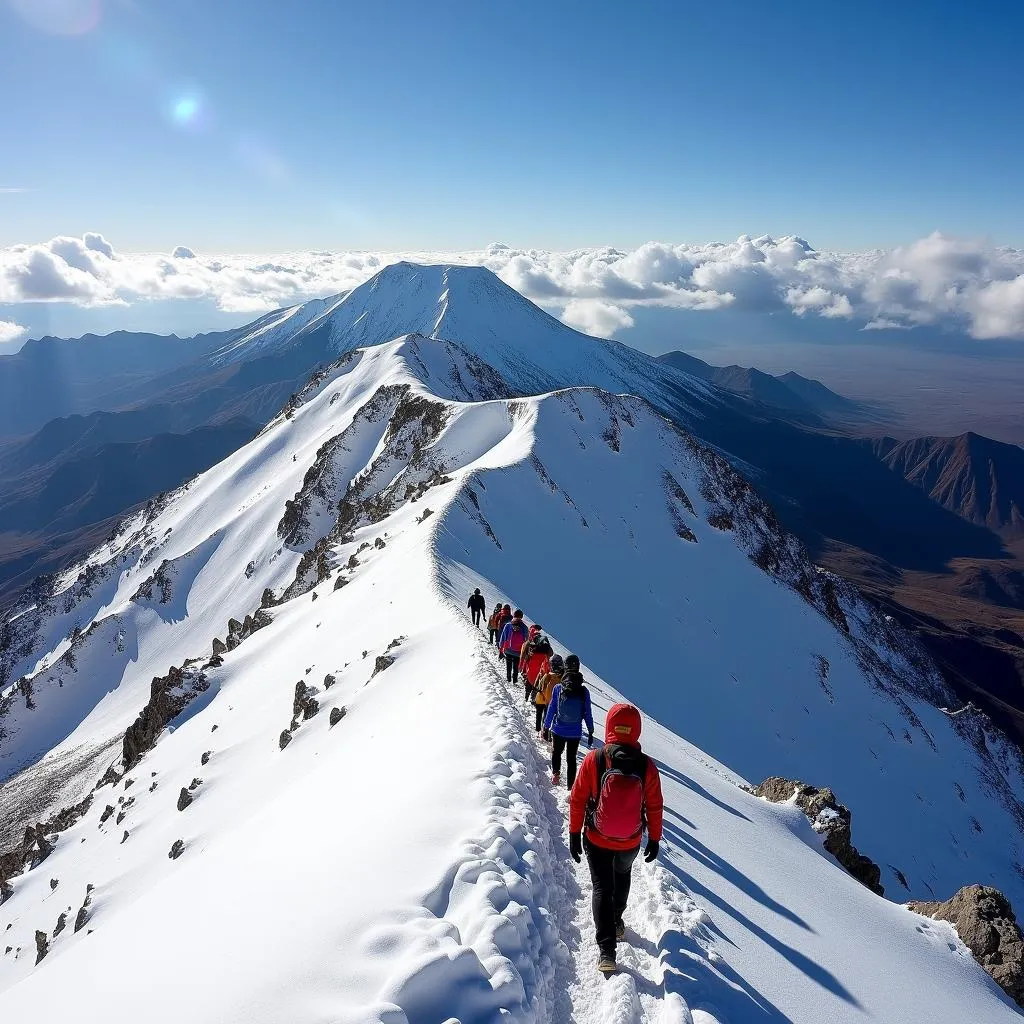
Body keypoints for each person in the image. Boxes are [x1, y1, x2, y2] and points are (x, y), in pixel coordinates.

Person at [568, 702, 663, 975]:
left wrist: (575, 833)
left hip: (596, 837)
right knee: (622, 876)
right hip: (630, 840)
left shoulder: (594, 759)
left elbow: (577, 800)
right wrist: (654, 838)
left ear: (609, 726)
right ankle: (617, 920)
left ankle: (607, 951)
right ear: (637, 730)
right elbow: (655, 805)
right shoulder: (646, 767)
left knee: (601, 889)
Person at [542, 655, 594, 789]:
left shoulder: (558, 688)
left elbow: (552, 708)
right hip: (575, 732)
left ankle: (556, 774)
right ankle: (571, 787)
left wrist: (546, 726)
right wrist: (590, 730)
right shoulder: (583, 691)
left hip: (558, 728)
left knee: (556, 752)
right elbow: (587, 712)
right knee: (571, 759)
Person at [532, 653, 563, 736]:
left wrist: (535, 693)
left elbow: (540, 687)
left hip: (544, 699)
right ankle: (549, 733)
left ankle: (541, 730)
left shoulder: (547, 676)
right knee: (553, 718)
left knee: (543, 715)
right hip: (556, 702)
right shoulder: (562, 678)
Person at [521, 628, 553, 703]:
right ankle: (533, 699)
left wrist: (523, 670)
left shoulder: (532, 651)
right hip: (540, 675)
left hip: (530, 673)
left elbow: (526, 661)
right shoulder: (546, 654)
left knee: (529, 683)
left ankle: (526, 697)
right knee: (537, 686)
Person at [498, 609, 529, 685]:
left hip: (508, 649)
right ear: (521, 617)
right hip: (518, 651)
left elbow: (503, 637)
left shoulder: (508, 625)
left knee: (508, 665)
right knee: (515, 666)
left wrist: (501, 648)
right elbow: (527, 641)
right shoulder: (524, 627)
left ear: (514, 615)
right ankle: (514, 680)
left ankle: (508, 678)